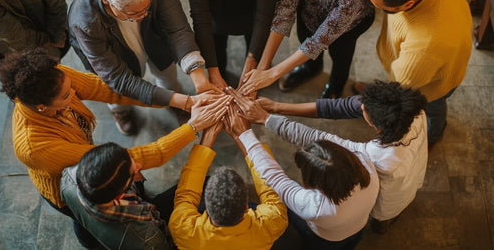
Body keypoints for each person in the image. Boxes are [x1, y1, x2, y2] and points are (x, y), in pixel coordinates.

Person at [0, 49, 229, 247]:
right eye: (68, 95)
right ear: (41, 107)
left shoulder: (55, 78)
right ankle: (92, 239)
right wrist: (193, 127)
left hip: (89, 171)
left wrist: (183, 101)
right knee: (83, 216)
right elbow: (130, 159)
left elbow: (107, 90)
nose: (75, 91)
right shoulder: (35, 148)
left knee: (105, 208)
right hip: (68, 185)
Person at [234, 81, 428, 233]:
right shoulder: (413, 112)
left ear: (378, 127)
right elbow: (340, 107)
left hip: (391, 195)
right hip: (414, 171)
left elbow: (319, 139)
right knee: (396, 205)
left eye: (364, 111)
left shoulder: (375, 156)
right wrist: (275, 108)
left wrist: (265, 119)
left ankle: (381, 225)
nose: (360, 107)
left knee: (384, 214)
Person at [69, 0, 220, 136]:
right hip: (112, 53)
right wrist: (187, 102)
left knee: (167, 72)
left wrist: (199, 77)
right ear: (107, 2)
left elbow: (178, 30)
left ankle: (174, 100)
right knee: (115, 91)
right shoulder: (85, 22)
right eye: (134, 13)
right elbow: (119, 79)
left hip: (152, 35)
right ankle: (121, 111)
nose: (143, 15)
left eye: (147, 7)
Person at [222, 100, 379, 249]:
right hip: (358, 226)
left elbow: (276, 178)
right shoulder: (365, 162)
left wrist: (244, 135)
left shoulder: (315, 208)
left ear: (316, 182)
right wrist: (266, 118)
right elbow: (312, 136)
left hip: (326, 239)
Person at [361, 0, 473, 144]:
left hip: (435, 83)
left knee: (433, 108)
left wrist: (377, 102)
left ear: (408, 4)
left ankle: (435, 133)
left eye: (381, 7)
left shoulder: (424, 46)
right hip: (442, 53)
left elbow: (400, 85)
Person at [239, 0, 374, 98]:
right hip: (309, 11)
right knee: (304, 36)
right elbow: (286, 7)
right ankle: (311, 68)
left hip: (350, 23)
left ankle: (336, 84)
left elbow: (321, 38)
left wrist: (273, 74)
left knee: (341, 54)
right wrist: (263, 67)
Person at [168, 117, 288, 249]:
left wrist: (209, 134)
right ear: (246, 207)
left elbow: (186, 196)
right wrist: (243, 135)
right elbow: (272, 188)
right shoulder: (271, 223)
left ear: (206, 209)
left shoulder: (183, 230)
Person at [184, 0, 283, 88]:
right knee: (216, 55)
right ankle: (221, 74)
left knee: (255, 54)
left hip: (254, 13)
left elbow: (264, 15)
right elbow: (200, 15)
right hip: (215, 14)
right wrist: (213, 72)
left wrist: (250, 67)